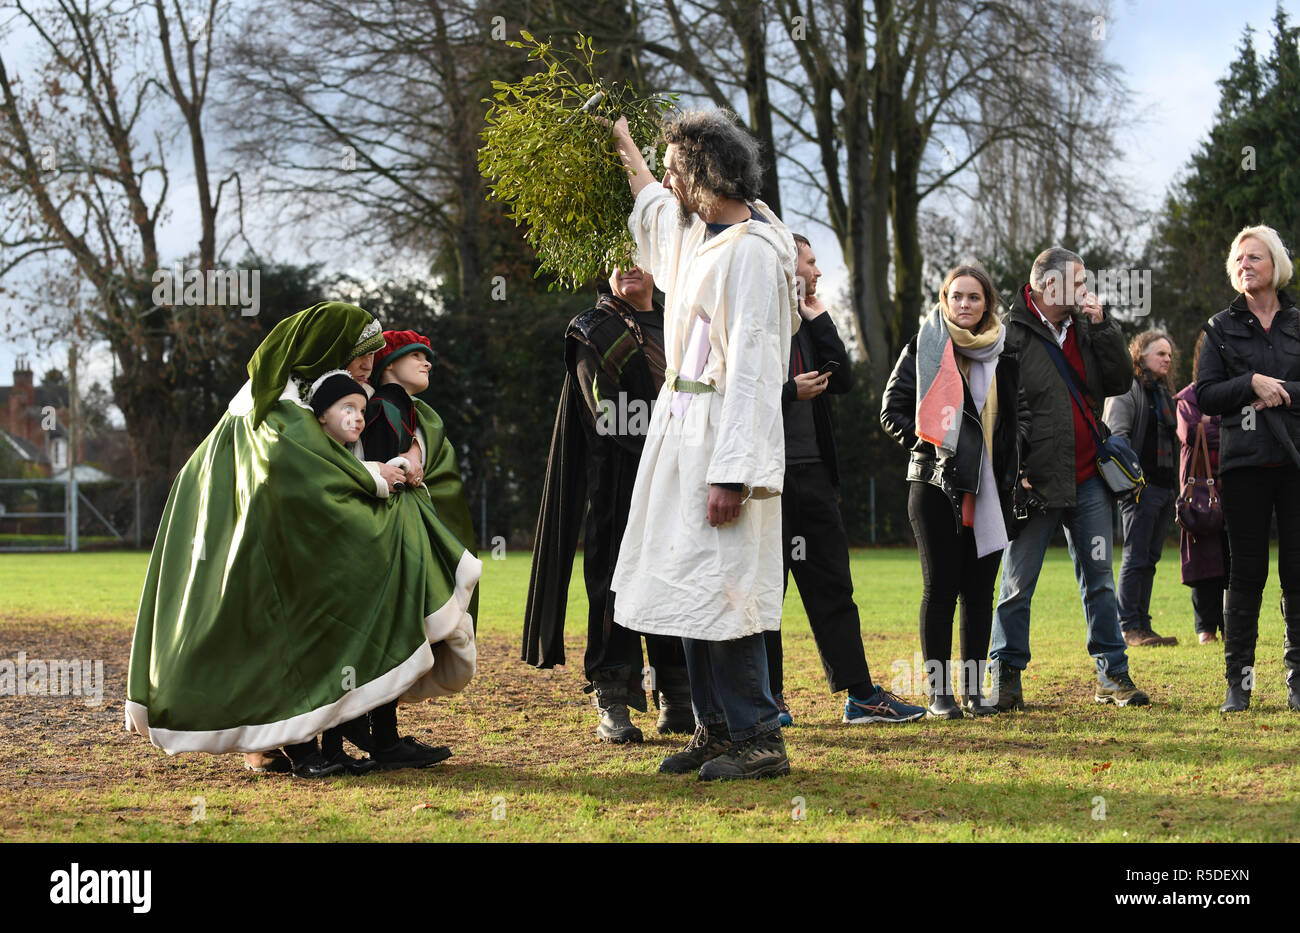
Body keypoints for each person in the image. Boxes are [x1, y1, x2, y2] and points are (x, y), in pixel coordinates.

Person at [126, 303, 481, 776]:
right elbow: (300, 468)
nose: (368, 363)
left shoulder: (306, 394)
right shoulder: (279, 405)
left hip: (273, 536)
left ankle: (298, 744)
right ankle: (298, 746)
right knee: (281, 631)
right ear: (331, 351)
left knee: (291, 631)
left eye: (374, 353)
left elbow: (405, 418)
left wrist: (407, 451)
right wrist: (376, 476)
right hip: (260, 539)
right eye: (361, 353)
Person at [607, 108, 797, 780]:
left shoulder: (748, 252)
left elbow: (749, 370)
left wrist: (733, 473)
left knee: (724, 586)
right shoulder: (701, 236)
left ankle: (758, 736)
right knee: (687, 576)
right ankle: (713, 728)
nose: (667, 177)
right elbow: (654, 204)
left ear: (707, 173)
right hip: (683, 424)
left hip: (719, 431)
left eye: (677, 165)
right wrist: (623, 141)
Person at [523, 266, 694, 744]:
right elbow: (611, 413)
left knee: (673, 582)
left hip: (680, 478)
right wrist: (672, 435)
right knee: (614, 588)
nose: (630, 267)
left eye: (638, 255)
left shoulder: (679, 317)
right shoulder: (593, 331)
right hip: (620, 479)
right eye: (618, 259)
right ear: (604, 271)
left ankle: (676, 695)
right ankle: (612, 699)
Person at [765, 234, 925, 726]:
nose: (817, 272)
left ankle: (860, 696)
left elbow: (847, 379)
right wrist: (788, 391)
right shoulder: (754, 318)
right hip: (765, 481)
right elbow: (729, 390)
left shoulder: (807, 322)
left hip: (814, 477)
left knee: (834, 586)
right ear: (787, 265)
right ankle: (767, 702)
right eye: (811, 263)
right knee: (766, 595)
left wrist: (817, 315)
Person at [987, 247, 1152, 710]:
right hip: (1033, 483)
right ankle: (1005, 679)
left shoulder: (1087, 327)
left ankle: (1112, 676)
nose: (1085, 290)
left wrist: (1103, 328)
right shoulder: (1009, 332)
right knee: (1017, 584)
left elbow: (1120, 382)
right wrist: (1013, 472)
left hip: (1088, 480)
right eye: (1077, 282)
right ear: (1047, 284)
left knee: (1099, 580)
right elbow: (997, 412)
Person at [881, 263, 1027, 719]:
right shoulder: (925, 346)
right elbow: (892, 411)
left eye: (974, 297)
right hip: (933, 485)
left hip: (990, 491)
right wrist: (934, 443)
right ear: (944, 300)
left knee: (980, 592)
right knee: (941, 588)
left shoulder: (1006, 355)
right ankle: (940, 693)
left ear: (988, 305)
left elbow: (1018, 420)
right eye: (956, 296)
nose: (964, 305)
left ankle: (972, 690)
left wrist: (1011, 465)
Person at [1195, 223, 1300, 713]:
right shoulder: (1218, 328)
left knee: (1297, 573)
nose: (1244, 265)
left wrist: (1279, 391)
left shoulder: (1298, 322)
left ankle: (1297, 679)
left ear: (1275, 265)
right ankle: (1239, 682)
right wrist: (1252, 383)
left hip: (1295, 462)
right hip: (1244, 465)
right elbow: (1206, 396)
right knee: (1246, 575)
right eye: (1238, 259)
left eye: (1254, 257)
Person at [1103, 331, 1180, 647]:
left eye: (1170, 355)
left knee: (1150, 558)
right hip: (1138, 489)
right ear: (1140, 354)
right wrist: (1132, 484)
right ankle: (1129, 627)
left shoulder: (1163, 392)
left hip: (1163, 488)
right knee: (1135, 557)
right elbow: (1115, 439)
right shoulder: (1128, 390)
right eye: (1160, 353)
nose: (1167, 359)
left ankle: (1143, 625)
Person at [1176, 334, 1229, 645]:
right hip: (1199, 493)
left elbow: (1242, 429)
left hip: (1232, 486)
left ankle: (1229, 625)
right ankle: (1205, 628)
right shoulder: (1187, 398)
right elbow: (1193, 432)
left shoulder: (1232, 394)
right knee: (1202, 559)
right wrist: (1218, 423)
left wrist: (1212, 421)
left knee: (1230, 557)